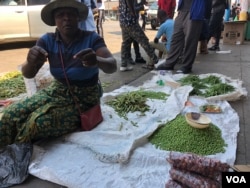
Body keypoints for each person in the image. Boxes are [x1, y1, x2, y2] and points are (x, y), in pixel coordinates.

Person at [0, 0, 117, 148]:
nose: (66, 18)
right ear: (54, 20)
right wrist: (30, 62)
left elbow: (112, 66)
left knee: (38, 122)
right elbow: (28, 74)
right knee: (11, 114)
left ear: (78, 18)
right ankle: (3, 151)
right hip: (57, 90)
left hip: (85, 97)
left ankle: (15, 151)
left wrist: (97, 60)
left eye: (71, 14)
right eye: (61, 15)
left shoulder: (92, 39)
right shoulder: (47, 40)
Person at [157, 0, 207, 74]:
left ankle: (187, 66)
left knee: (190, 40)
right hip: (182, 10)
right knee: (176, 38)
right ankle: (169, 63)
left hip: (194, 11)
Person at [119, 0, 158, 71]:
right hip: (131, 22)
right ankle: (156, 61)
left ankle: (123, 64)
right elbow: (134, 9)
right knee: (144, 41)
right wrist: (142, 4)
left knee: (126, 43)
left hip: (123, 21)